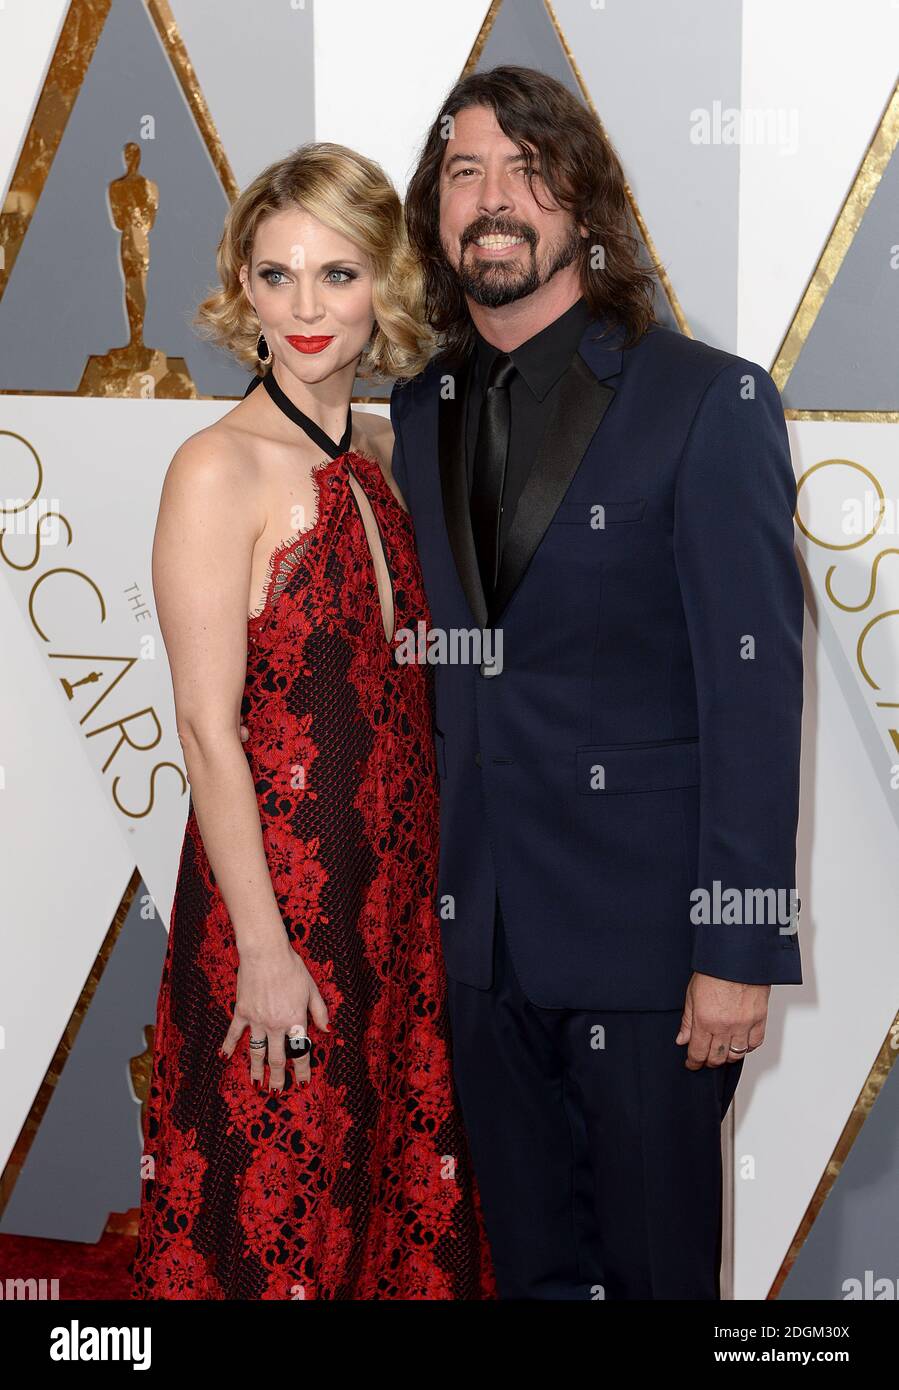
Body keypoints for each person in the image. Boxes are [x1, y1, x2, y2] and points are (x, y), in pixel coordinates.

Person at [390, 65, 805, 1300]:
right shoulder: (422, 406)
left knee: (655, 1275)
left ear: (584, 203)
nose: (494, 198)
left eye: (528, 169)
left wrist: (736, 942)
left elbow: (752, 688)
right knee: (530, 1275)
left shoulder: (703, 398)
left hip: (648, 956)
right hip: (482, 941)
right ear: (436, 210)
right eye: (465, 171)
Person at [129, 143, 496, 1300]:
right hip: (279, 914)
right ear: (241, 282)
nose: (303, 307)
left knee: (387, 1214)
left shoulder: (378, 464)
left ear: (381, 282)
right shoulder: (216, 469)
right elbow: (203, 727)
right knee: (274, 1227)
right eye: (276, 274)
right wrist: (264, 952)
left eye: (335, 274)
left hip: (388, 910)